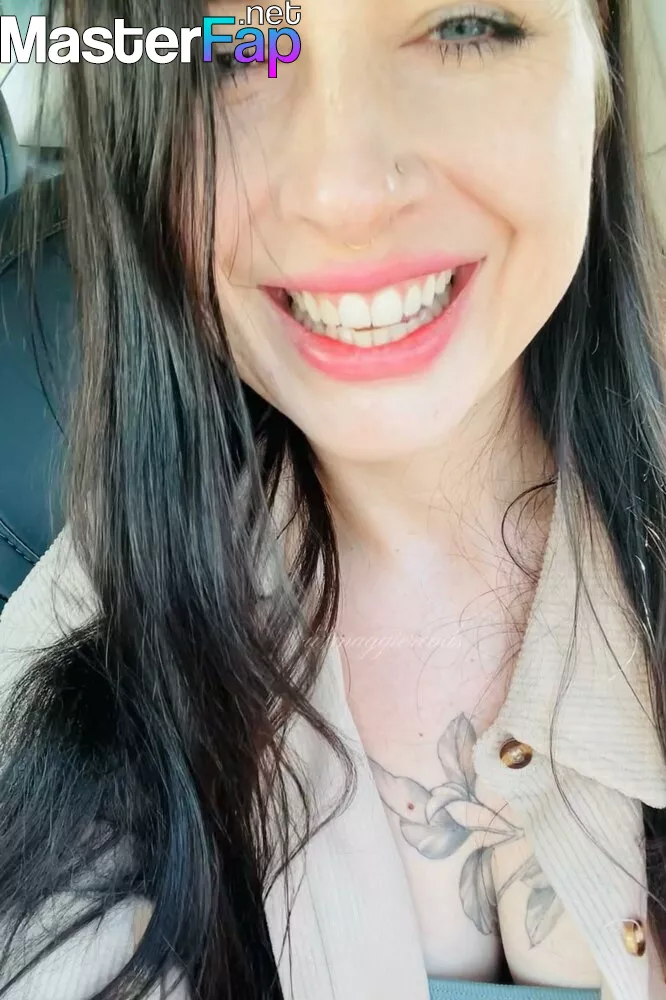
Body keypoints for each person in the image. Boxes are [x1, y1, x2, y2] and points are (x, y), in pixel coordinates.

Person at [0, 0, 665, 997]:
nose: (342, 193)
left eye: (465, 25)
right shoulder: (56, 676)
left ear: (600, 71)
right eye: (231, 50)